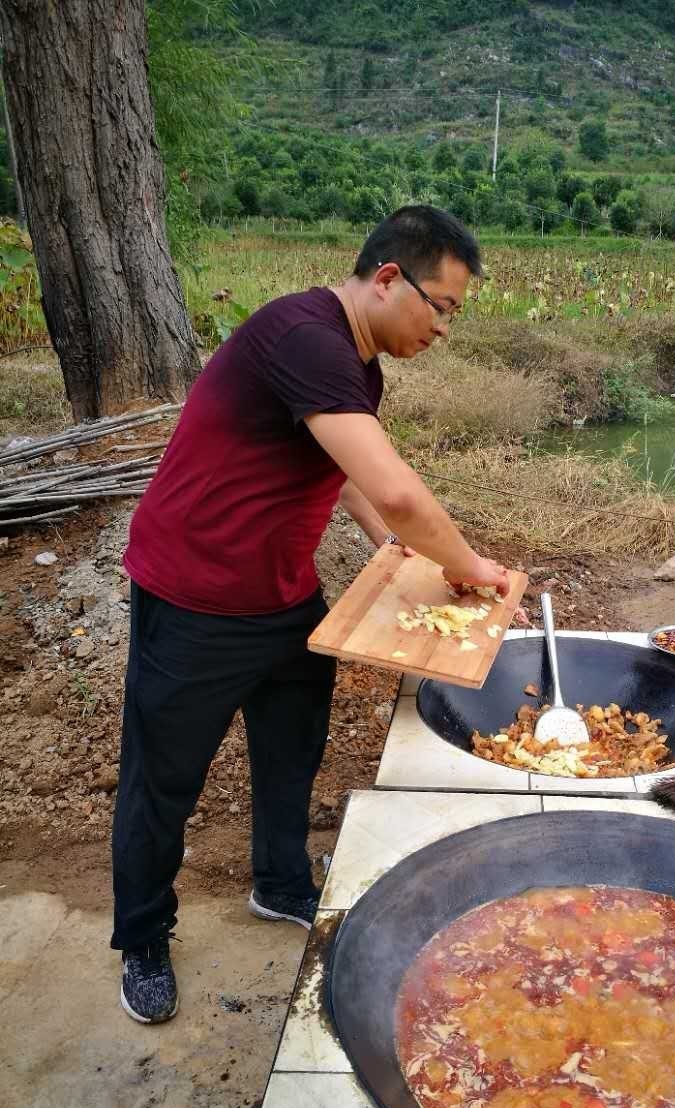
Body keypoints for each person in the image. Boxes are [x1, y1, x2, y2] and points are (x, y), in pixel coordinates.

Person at [112, 205, 509, 1024]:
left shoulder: (356, 369)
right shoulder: (304, 334)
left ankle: (281, 883)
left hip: (283, 595)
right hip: (194, 594)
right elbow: (399, 488)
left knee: (292, 751)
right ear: (390, 279)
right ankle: (144, 935)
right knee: (164, 780)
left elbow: (353, 477)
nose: (444, 331)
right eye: (443, 308)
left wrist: (390, 548)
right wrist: (468, 567)